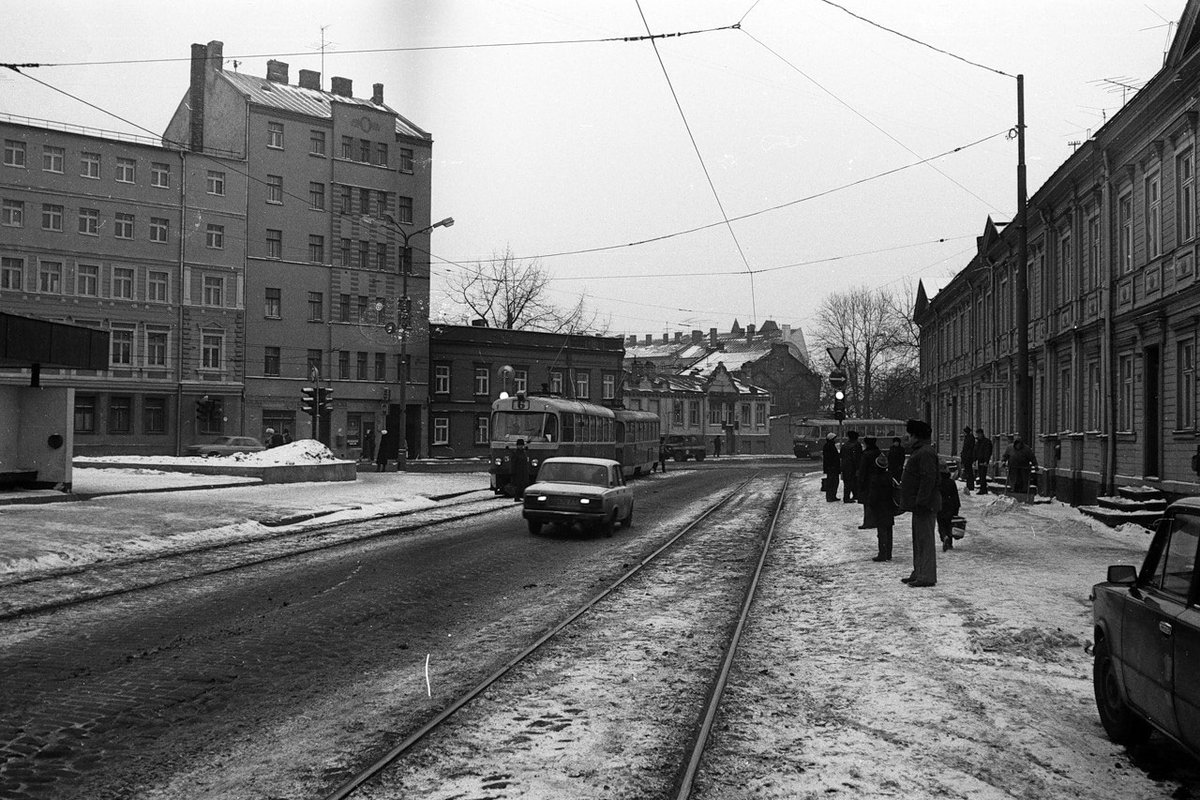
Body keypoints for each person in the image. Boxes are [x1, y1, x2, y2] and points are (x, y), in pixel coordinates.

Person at [899, 418, 941, 587]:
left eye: (909, 435)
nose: (907, 438)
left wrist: (921, 501)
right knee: (919, 541)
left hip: (925, 504)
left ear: (916, 436)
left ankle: (926, 576)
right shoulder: (921, 451)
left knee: (925, 541)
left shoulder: (924, 453)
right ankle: (919, 572)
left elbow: (928, 479)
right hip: (920, 504)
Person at [865, 451, 896, 561]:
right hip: (889, 506)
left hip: (879, 507)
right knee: (889, 530)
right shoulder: (890, 476)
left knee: (881, 531)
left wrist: (870, 505)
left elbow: (873, 496)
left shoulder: (875, 478)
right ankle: (888, 553)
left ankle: (883, 553)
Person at [936, 461, 962, 552]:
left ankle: (944, 537)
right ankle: (949, 543)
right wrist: (957, 507)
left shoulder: (937, 482)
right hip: (951, 505)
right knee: (949, 524)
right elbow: (955, 496)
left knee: (941, 524)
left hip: (940, 505)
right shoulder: (951, 482)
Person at [857, 436, 880, 529]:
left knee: (867, 503)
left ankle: (868, 522)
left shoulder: (866, 454)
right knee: (876, 502)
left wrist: (860, 481)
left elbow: (862, 469)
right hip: (877, 480)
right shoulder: (878, 452)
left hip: (868, 481)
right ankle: (876, 521)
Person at [1007, 436, 1038, 501]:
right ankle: (1014, 493)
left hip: (1024, 468)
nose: (1018, 446)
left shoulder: (1026, 449)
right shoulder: (1010, 448)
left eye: (1019, 444)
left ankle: (1024, 495)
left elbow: (1032, 457)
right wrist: (1003, 461)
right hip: (1013, 468)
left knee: (1023, 481)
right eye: (1017, 444)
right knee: (1014, 481)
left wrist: (1035, 465)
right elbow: (1006, 455)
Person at [840, 430, 863, 504]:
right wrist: (858, 467)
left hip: (845, 466)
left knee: (847, 482)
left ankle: (847, 496)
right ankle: (853, 496)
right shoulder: (857, 445)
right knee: (854, 481)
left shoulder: (844, 445)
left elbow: (841, 456)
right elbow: (858, 457)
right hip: (853, 466)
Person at [821, 432, 841, 502]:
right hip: (832, 467)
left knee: (832, 482)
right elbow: (831, 457)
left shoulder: (827, 445)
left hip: (830, 467)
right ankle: (831, 496)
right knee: (833, 482)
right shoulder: (830, 446)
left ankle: (831, 496)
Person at [974, 428, 994, 495]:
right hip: (980, 460)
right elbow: (976, 451)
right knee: (981, 475)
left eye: (978, 434)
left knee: (983, 475)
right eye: (977, 434)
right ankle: (983, 488)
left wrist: (986, 460)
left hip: (984, 461)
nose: (977, 435)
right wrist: (974, 459)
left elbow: (988, 452)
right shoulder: (978, 442)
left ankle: (983, 489)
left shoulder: (986, 442)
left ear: (981, 434)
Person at [959, 426, 975, 492]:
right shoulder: (968, 437)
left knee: (969, 472)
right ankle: (969, 485)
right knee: (968, 471)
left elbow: (968, 449)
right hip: (967, 457)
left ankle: (970, 485)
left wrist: (965, 456)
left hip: (968, 458)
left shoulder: (969, 438)